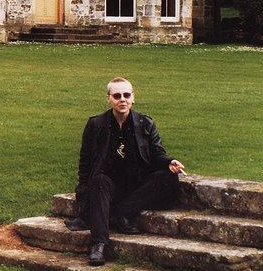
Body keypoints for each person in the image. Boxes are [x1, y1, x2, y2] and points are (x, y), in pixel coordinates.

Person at [65, 77, 185, 266]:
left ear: (133, 98)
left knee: (169, 177)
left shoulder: (146, 124)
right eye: (117, 95)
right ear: (109, 99)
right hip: (109, 182)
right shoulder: (95, 125)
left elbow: (156, 152)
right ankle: (99, 244)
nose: (122, 99)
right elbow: (85, 162)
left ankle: (119, 212)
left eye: (126, 95)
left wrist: (170, 162)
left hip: (137, 181)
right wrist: (83, 190)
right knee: (98, 181)